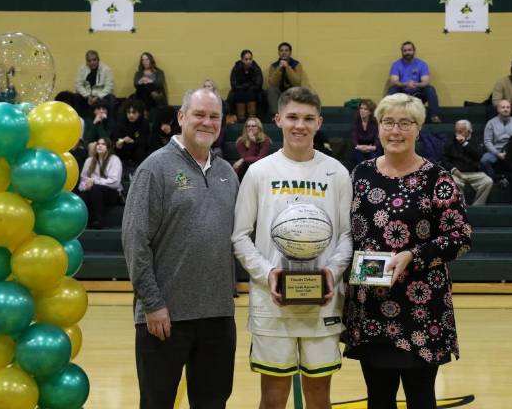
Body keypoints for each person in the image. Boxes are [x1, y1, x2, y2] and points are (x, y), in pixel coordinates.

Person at [343, 93, 471, 409]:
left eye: (405, 123)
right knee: (379, 399)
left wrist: (414, 255)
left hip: (422, 309)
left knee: (421, 399)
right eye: (388, 122)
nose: (396, 131)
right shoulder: (360, 175)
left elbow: (461, 236)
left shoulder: (438, 178)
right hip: (370, 309)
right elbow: (346, 236)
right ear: (378, 127)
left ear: (418, 129)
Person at [232, 87, 353, 409]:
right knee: (272, 397)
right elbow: (240, 235)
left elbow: (347, 237)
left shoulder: (337, 173)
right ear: (278, 119)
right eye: (293, 117)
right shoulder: (259, 172)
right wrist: (267, 273)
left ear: (319, 122)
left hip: (323, 302)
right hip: (272, 303)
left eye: (308, 119)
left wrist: (331, 271)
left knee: (319, 397)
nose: (300, 125)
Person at [122, 87, 239, 408]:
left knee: (213, 403)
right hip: (164, 317)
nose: (207, 122)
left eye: (214, 116)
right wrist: (153, 303)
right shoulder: (154, 168)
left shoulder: (227, 173)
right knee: (157, 403)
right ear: (181, 117)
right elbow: (135, 240)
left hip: (217, 315)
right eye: (199, 114)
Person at [441, 119, 493, 206]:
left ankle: (477, 206)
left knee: (488, 181)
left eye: (460, 131)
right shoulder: (450, 142)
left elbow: (479, 155)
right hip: (458, 173)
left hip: (475, 172)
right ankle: (462, 206)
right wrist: (453, 169)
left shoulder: (477, 140)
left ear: (469, 131)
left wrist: (464, 143)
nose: (457, 133)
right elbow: (444, 159)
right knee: (452, 181)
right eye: (456, 131)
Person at [388, 41, 441, 124]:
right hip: (402, 93)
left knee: (430, 89)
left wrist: (415, 84)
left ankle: (434, 116)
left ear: (414, 51)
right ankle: (389, 117)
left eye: (409, 50)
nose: (407, 52)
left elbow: (425, 81)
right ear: (402, 52)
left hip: (418, 94)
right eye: (405, 50)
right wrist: (406, 84)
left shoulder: (422, 64)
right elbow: (394, 80)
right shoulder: (396, 64)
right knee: (392, 89)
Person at [78, 137, 123, 229]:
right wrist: (85, 186)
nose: (100, 146)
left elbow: (115, 182)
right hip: (93, 191)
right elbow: (82, 182)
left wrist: (94, 181)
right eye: (98, 144)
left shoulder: (114, 160)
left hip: (112, 193)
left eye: (103, 144)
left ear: (108, 147)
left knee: (96, 189)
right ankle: (83, 222)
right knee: (84, 193)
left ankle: (99, 220)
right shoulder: (89, 161)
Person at [480, 99, 512, 182]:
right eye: (503, 107)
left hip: (511, 151)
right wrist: (497, 153)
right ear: (498, 109)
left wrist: (510, 152)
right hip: (496, 151)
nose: (506, 109)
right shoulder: (491, 123)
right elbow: (487, 141)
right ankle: (496, 178)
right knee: (484, 160)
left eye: (508, 107)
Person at [266, 42, 304, 117]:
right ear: (278, 53)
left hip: (291, 93)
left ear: (290, 53)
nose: (284, 53)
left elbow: (297, 83)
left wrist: (287, 68)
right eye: (281, 50)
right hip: (279, 93)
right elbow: (272, 83)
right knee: (270, 90)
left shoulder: (296, 64)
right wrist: (279, 68)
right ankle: (277, 115)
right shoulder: (274, 66)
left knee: (298, 90)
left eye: (286, 51)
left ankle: (293, 115)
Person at [113, 99, 150, 173]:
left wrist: (132, 141)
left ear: (139, 113)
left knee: (140, 150)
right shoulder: (121, 122)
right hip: (124, 149)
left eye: (134, 112)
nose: (131, 115)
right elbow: (115, 138)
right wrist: (117, 144)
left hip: (138, 149)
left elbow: (146, 140)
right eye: (128, 112)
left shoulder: (144, 123)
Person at [74, 50, 115, 116]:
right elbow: (78, 85)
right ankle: (80, 120)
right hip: (87, 96)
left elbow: (109, 87)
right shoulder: (81, 69)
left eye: (94, 60)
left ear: (98, 60)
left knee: (111, 98)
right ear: (86, 62)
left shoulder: (106, 69)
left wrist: (98, 97)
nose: (92, 62)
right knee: (76, 97)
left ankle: (109, 121)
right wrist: (87, 96)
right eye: (89, 61)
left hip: (100, 96)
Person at [230, 49, 264, 122]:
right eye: (246, 59)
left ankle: (252, 117)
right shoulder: (236, 68)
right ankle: (241, 118)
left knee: (250, 93)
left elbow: (259, 84)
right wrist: (245, 87)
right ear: (242, 60)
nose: (248, 61)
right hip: (240, 91)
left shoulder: (256, 68)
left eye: (250, 59)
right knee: (240, 93)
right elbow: (234, 84)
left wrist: (247, 87)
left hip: (253, 91)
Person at [351, 99, 380, 164]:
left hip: (373, 149)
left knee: (373, 156)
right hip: (359, 149)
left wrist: (372, 147)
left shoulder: (375, 123)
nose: (362, 111)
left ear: (370, 112)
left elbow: (377, 139)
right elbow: (354, 138)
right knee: (357, 155)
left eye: (365, 109)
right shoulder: (356, 122)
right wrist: (359, 147)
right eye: (361, 108)